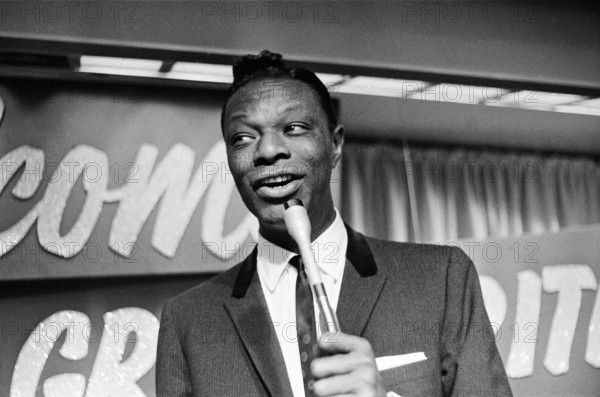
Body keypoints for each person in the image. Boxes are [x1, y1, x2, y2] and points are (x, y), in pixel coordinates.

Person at [156, 50, 512, 397]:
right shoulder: (187, 321)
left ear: (335, 144)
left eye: (294, 127)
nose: (267, 150)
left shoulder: (439, 280)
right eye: (243, 137)